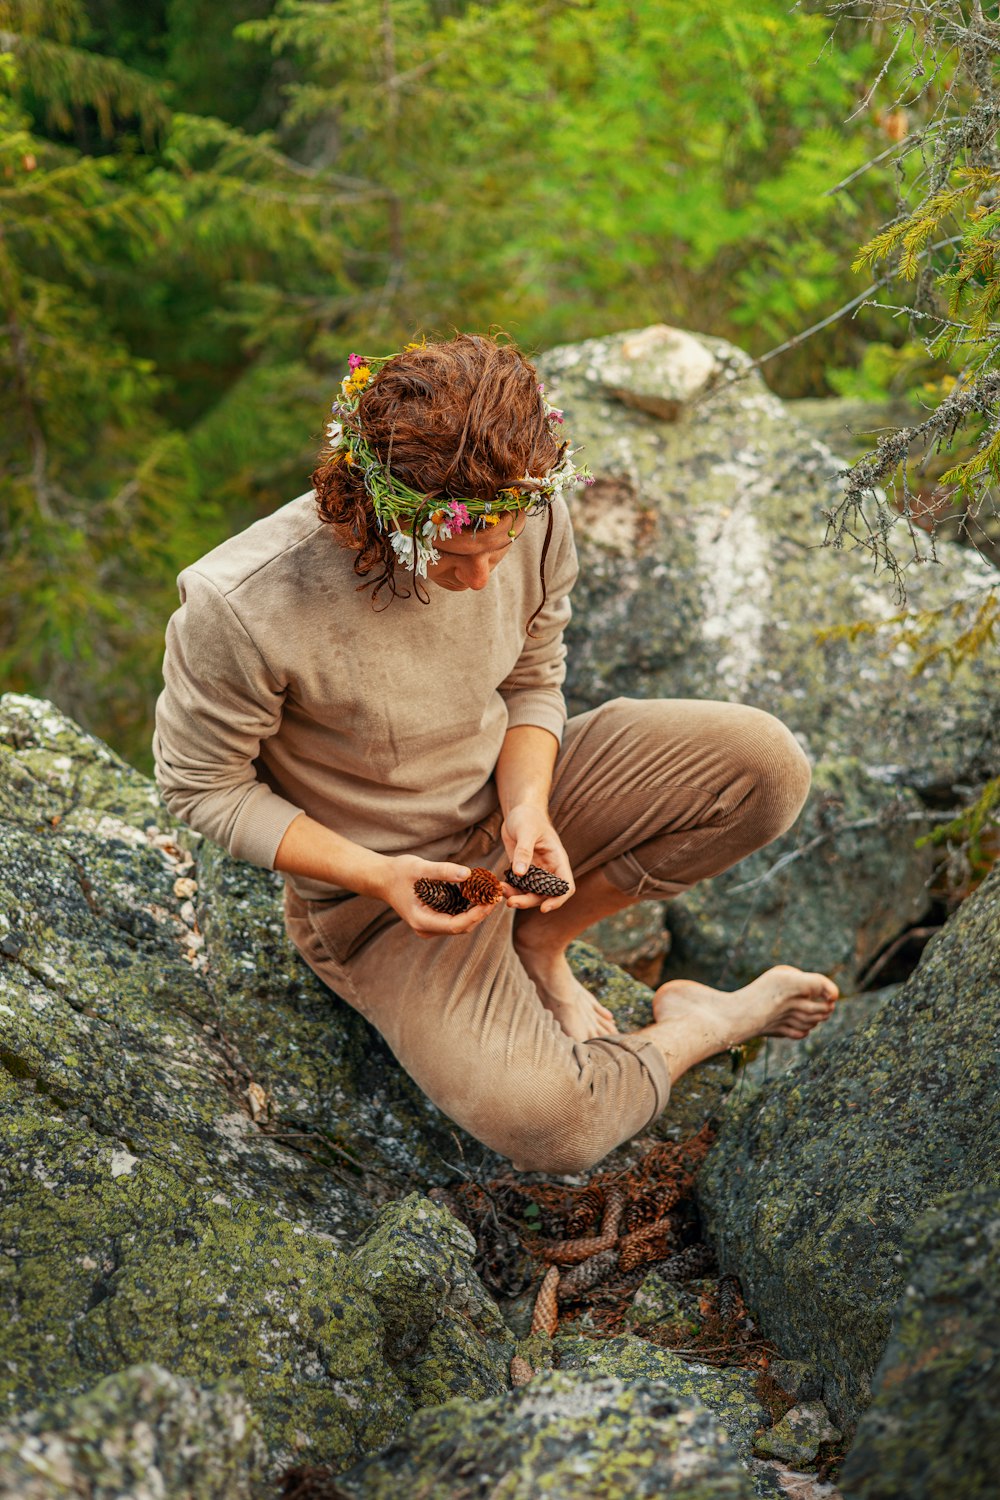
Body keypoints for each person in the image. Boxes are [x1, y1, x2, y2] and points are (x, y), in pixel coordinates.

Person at [153, 331, 838, 1177]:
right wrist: (379, 876)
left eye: (498, 551)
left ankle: (543, 942)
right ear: (378, 507)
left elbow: (534, 678)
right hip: (382, 902)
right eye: (450, 556)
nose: (481, 582)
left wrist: (527, 806)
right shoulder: (241, 604)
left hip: (510, 809)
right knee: (559, 1129)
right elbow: (202, 787)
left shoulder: (529, 503)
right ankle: (705, 1025)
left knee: (765, 766)